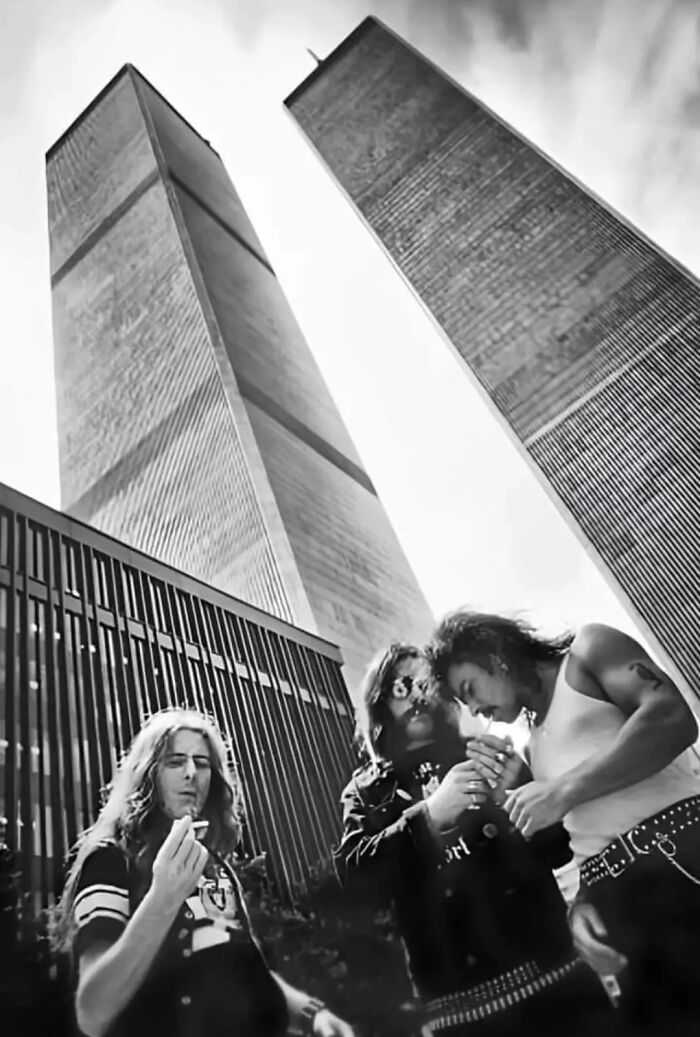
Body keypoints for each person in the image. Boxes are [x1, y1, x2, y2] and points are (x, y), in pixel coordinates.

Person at [429, 612, 700, 1036]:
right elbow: (584, 834)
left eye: (470, 690)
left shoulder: (589, 650)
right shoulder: (532, 747)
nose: (476, 710)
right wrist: (581, 905)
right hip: (619, 913)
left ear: (494, 655)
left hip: (679, 863)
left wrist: (561, 791)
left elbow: (672, 718)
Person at [335, 642, 614, 1036]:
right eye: (402, 687)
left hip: (559, 985)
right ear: (381, 701)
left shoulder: (488, 752)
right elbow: (355, 883)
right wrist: (428, 818)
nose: (416, 697)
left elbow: (556, 849)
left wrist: (516, 796)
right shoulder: (365, 791)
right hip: (459, 1012)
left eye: (426, 683)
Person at [53, 707, 354, 1037]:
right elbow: (93, 1011)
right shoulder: (110, 859)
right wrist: (163, 899)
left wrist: (312, 1014)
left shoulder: (216, 867)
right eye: (175, 761)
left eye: (202, 763)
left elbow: (243, 969)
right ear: (148, 773)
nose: (191, 773)